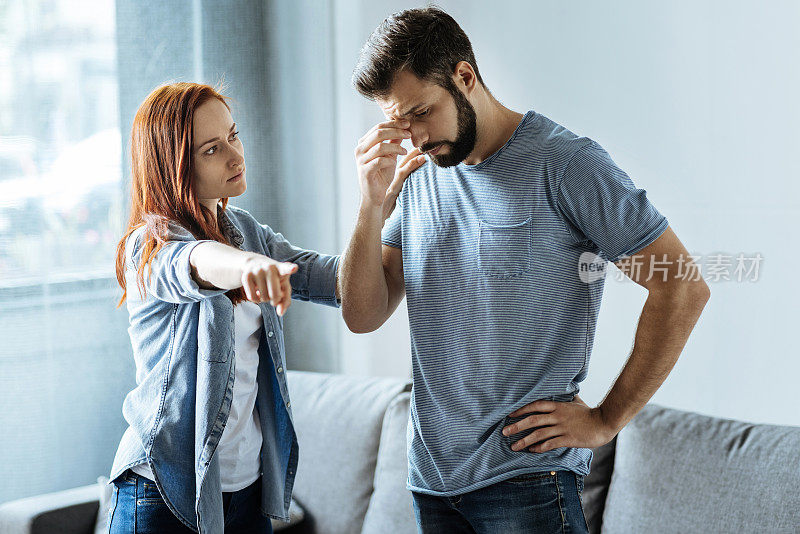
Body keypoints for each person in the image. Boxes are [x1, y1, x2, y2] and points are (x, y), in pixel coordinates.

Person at [339, 7, 710, 533]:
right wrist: (370, 205)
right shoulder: (419, 174)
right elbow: (362, 314)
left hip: (527, 479)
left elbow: (683, 286)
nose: (415, 138)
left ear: (464, 76)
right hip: (432, 480)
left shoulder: (564, 163)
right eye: (401, 123)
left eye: (422, 112)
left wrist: (606, 420)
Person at [107, 82, 340, 533]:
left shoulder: (245, 230)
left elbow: (334, 280)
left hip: (248, 493)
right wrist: (249, 266)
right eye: (212, 149)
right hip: (163, 494)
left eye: (233, 136)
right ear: (172, 165)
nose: (236, 156)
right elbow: (194, 261)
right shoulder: (148, 247)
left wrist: (374, 203)